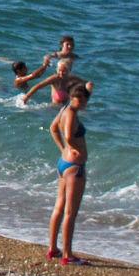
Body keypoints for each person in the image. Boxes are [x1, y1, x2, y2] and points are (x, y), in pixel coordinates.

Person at [47, 84, 90, 263]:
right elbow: (69, 134)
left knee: (59, 206)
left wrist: (63, 147)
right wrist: (74, 147)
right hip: (74, 166)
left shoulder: (65, 109)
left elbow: (53, 128)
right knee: (70, 212)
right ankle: (67, 255)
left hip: (63, 163)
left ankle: (53, 248)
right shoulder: (71, 113)